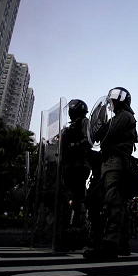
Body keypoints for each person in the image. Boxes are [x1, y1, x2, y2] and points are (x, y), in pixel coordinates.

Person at [83, 87, 138, 260]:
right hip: (110, 161)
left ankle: (110, 245)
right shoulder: (120, 117)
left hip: (117, 161)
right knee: (117, 203)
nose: (111, 104)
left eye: (113, 101)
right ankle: (121, 243)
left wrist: (99, 122)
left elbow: (104, 133)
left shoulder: (125, 116)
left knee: (113, 202)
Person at [60, 99, 92, 249]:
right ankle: (66, 229)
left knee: (79, 199)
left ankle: (80, 230)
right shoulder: (69, 127)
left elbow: (89, 140)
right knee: (67, 198)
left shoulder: (84, 122)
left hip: (80, 165)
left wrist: (75, 146)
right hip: (68, 165)